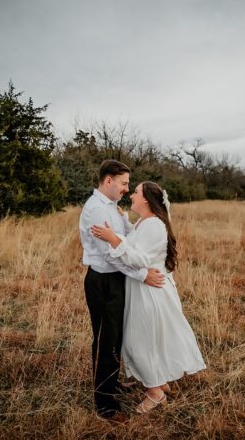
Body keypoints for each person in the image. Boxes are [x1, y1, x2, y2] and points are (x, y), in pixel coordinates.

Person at [91, 180, 206, 414]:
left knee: (138, 341)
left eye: (135, 192)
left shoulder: (154, 225)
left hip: (150, 292)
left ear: (146, 200)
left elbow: (140, 258)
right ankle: (160, 379)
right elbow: (136, 238)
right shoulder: (147, 221)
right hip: (146, 289)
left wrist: (113, 239)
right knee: (153, 338)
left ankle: (155, 394)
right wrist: (124, 221)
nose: (131, 195)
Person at [78, 160, 165, 423]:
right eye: (124, 183)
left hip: (117, 279)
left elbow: (126, 242)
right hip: (103, 281)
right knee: (105, 339)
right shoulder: (95, 210)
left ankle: (111, 383)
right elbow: (111, 255)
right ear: (108, 181)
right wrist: (142, 275)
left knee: (116, 337)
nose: (126, 189)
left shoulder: (113, 208)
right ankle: (105, 405)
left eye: (129, 185)